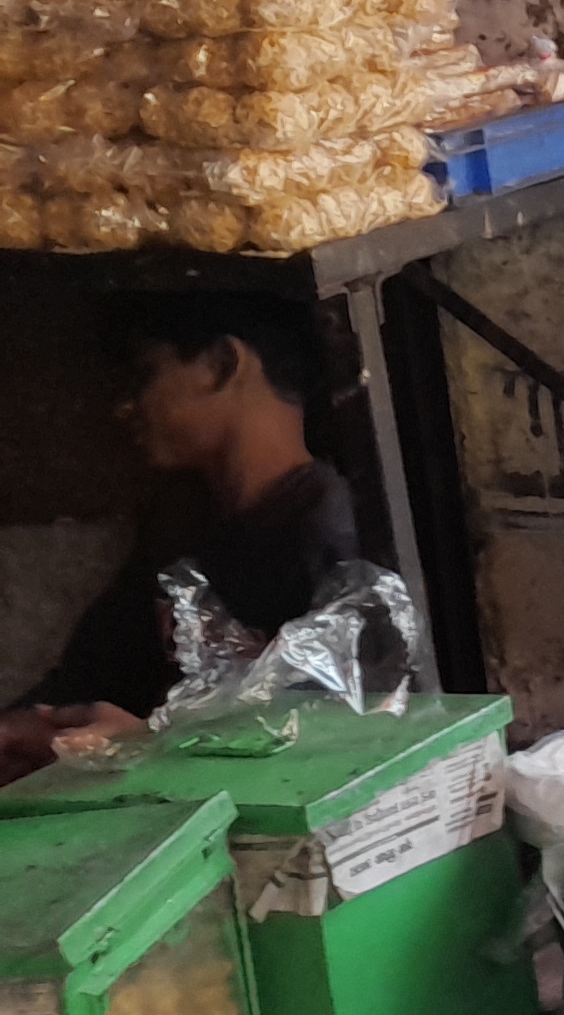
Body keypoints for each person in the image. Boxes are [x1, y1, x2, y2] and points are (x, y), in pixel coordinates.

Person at [3, 294, 361, 778]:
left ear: (221, 364)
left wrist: (148, 746)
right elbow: (96, 669)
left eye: (147, 373)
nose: (124, 407)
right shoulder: (182, 522)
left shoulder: (333, 534)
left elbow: (340, 747)